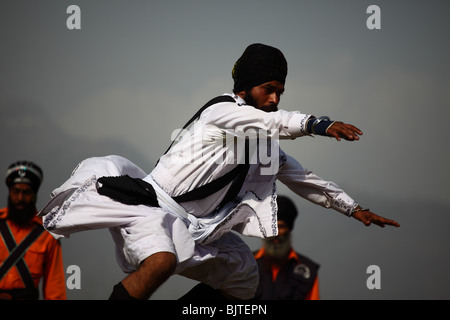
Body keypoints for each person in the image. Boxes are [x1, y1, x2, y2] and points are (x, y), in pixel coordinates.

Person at [39, 43, 400, 300]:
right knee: (162, 261)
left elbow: (304, 180)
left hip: (201, 229)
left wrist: (352, 208)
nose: (275, 99)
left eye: (280, 92)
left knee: (246, 284)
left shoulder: (265, 146)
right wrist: (318, 124)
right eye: (269, 90)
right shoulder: (222, 111)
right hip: (154, 209)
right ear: (246, 88)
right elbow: (274, 122)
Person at [0, 161, 66, 300]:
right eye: (16, 191)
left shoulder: (47, 235)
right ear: (9, 191)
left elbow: (54, 289)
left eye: (27, 192)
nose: (20, 198)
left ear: (35, 194)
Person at [253, 195, 320, 300]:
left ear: (289, 229)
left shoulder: (307, 270)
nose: (276, 233)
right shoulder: (246, 264)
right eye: (272, 227)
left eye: (281, 226)